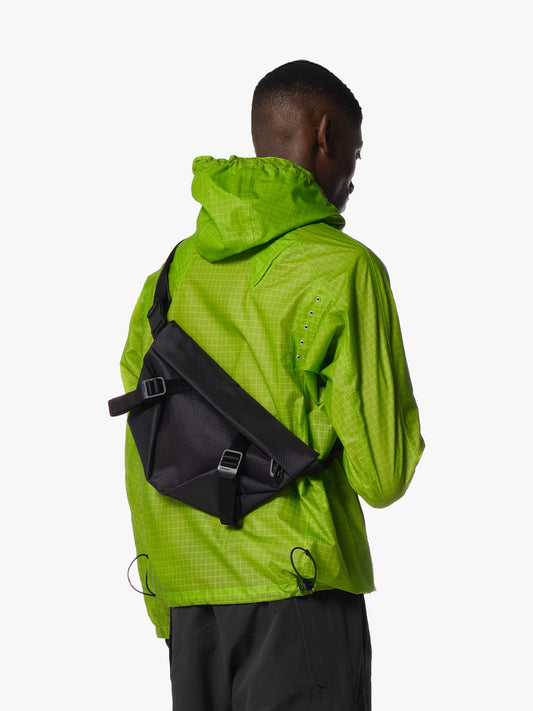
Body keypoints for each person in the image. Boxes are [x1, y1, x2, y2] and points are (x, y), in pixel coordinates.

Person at [119, 60, 424, 710]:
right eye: (355, 155)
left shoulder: (171, 276)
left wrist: (165, 601)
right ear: (325, 134)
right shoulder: (344, 269)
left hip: (189, 603)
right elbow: (384, 475)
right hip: (298, 592)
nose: (351, 180)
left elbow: (144, 447)